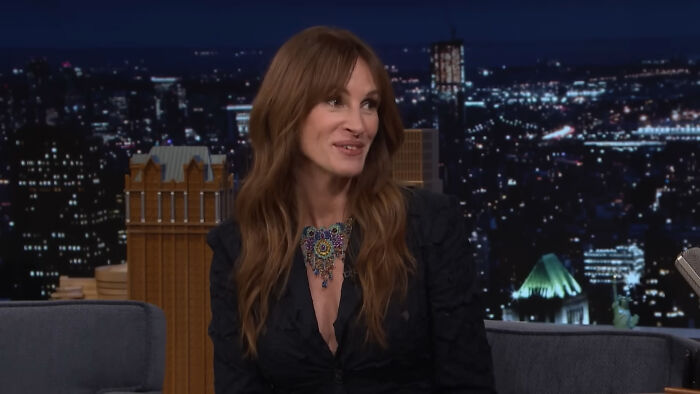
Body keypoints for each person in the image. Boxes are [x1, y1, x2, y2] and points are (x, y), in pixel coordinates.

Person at [208, 26, 496, 393]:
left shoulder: (429, 226)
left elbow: (469, 383)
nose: (358, 125)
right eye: (334, 100)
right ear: (288, 111)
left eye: (369, 105)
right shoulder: (238, 247)